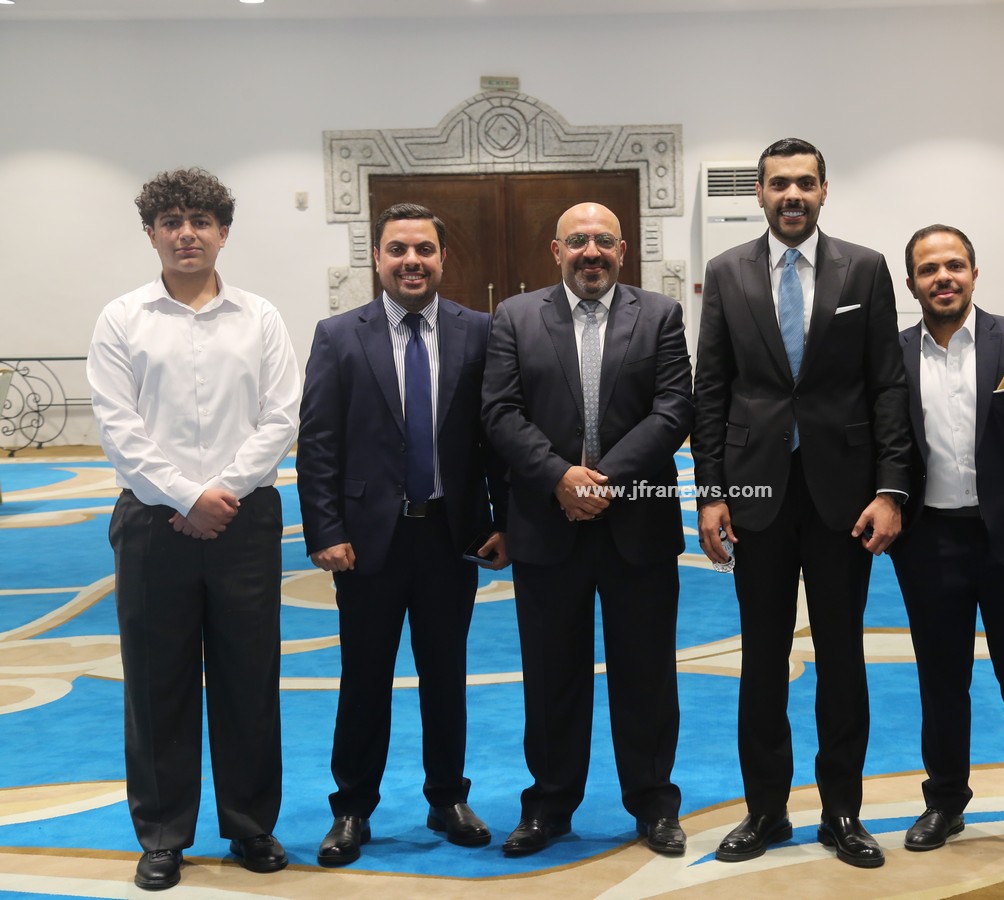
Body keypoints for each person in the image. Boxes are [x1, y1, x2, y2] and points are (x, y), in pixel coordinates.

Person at [691, 138, 911, 869]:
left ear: (824, 191)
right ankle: (766, 809)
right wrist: (711, 492)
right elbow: (712, 388)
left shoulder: (864, 269)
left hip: (844, 497)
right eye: (779, 183)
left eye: (805, 183)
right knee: (762, 657)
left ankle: (842, 812)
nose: (793, 194)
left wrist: (890, 489)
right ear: (759, 192)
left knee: (842, 655)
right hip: (756, 494)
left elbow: (886, 385)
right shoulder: (727, 272)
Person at [88, 167, 300, 890]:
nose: (187, 234)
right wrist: (185, 495)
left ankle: (250, 825)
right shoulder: (121, 319)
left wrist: (221, 494)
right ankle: (162, 834)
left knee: (249, 678)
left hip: (245, 520)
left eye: (201, 221)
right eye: (172, 222)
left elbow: (281, 416)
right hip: (152, 521)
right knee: (158, 683)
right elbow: (117, 427)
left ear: (223, 233)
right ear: (150, 234)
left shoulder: (260, 317)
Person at [296, 202, 508, 867]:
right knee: (365, 678)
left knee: (447, 675)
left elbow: (497, 437)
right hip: (365, 544)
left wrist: (501, 521)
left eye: (424, 250)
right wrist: (325, 529)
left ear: (442, 258)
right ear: (377, 258)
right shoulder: (338, 336)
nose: (411, 261)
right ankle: (352, 808)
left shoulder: (480, 332)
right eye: (398, 250)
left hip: (451, 537)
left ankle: (447, 797)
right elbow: (318, 443)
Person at [481, 202, 692, 858]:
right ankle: (548, 805)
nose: (591, 252)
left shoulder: (660, 314)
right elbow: (500, 411)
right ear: (556, 251)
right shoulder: (516, 317)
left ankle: (653, 803)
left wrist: (604, 481)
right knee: (551, 676)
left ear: (623, 250)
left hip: (638, 527)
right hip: (548, 525)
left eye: (603, 240)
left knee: (646, 675)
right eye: (578, 241)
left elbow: (673, 409)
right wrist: (560, 478)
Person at [889, 224, 1004, 862]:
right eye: (928, 269)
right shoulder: (892, 353)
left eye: (954, 266)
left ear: (974, 273)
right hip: (928, 543)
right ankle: (944, 801)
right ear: (911, 282)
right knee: (941, 681)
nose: (943, 278)